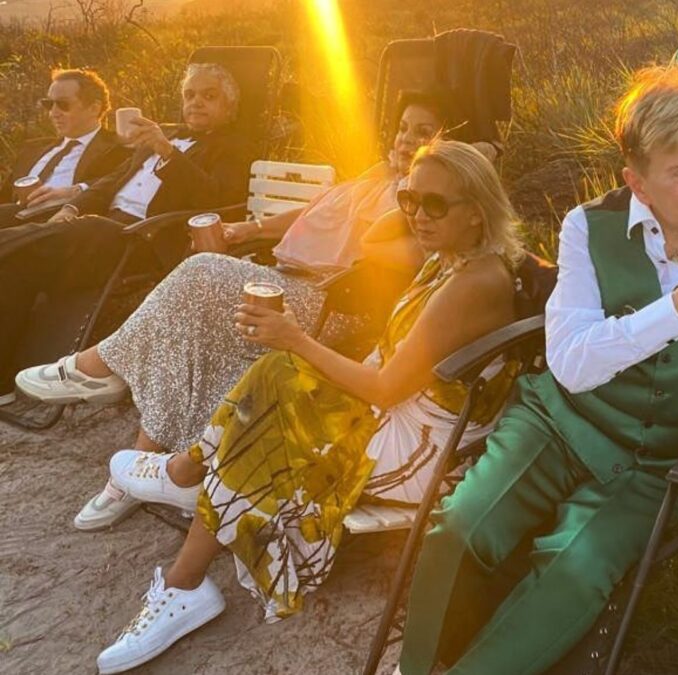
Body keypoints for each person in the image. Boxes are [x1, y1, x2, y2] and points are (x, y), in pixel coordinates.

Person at [397, 62, 678, 675]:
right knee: (459, 529)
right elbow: (571, 363)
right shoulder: (588, 227)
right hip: (558, 424)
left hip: (658, 459)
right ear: (638, 182)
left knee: (575, 569)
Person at [91, 139, 525, 674]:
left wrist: (295, 338)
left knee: (273, 405)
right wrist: (405, 186)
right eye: (410, 200)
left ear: (477, 213)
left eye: (434, 205)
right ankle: (188, 513)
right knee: (277, 378)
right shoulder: (449, 257)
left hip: (422, 448)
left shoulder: (475, 283)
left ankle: (187, 521)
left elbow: (384, 388)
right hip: (399, 413)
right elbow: (377, 238)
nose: (417, 216)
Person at [15, 90, 458, 531]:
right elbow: (317, 210)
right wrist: (249, 229)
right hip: (285, 275)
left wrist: (409, 188)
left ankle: (98, 367)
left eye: (423, 132)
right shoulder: (377, 174)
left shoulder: (424, 204)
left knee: (202, 272)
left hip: (329, 300)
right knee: (188, 329)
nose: (406, 140)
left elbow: (388, 257)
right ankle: (143, 468)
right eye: (403, 128)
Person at [0, 62, 252, 406]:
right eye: (190, 95)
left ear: (230, 106)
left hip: (140, 239)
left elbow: (216, 199)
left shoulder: (234, 147)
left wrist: (168, 153)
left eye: (209, 96)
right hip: (97, 229)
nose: (196, 102)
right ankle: (3, 383)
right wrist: (71, 206)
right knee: (15, 263)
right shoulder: (165, 135)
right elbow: (111, 181)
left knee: (86, 227)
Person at [0, 69, 130, 229]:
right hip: (12, 221)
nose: (53, 113)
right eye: (49, 104)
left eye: (63, 105)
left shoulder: (117, 148)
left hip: (60, 225)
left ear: (94, 108)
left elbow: (119, 179)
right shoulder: (32, 149)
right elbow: (5, 196)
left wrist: (77, 190)